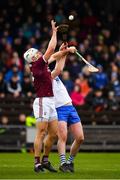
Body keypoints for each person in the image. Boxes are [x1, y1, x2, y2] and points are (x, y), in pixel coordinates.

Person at [24, 20, 77, 173]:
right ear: (33, 59)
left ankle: (46, 160)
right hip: (42, 102)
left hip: (51, 102)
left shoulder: (43, 67)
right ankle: (37, 163)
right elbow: (51, 49)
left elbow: (57, 65)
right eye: (36, 53)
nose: (39, 53)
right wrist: (55, 33)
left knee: (53, 134)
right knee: (40, 132)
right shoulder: (37, 65)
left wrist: (64, 53)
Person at [52, 53, 84, 173]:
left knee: (80, 138)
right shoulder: (45, 76)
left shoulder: (54, 76)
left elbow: (58, 65)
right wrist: (66, 51)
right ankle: (63, 163)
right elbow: (59, 68)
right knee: (63, 137)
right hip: (59, 109)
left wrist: (63, 52)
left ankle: (70, 162)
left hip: (70, 107)